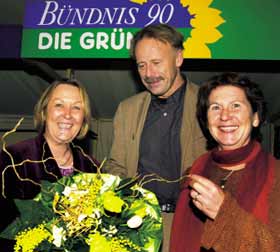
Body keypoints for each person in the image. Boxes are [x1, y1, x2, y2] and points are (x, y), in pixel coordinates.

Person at [104, 23, 207, 251]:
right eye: (141, 65)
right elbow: (116, 165)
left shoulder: (209, 104)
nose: (149, 74)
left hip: (191, 225)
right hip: (137, 226)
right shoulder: (127, 109)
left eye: (156, 63)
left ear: (178, 58)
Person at [170, 72, 280, 251]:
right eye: (215, 107)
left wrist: (224, 212)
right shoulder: (194, 172)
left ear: (255, 118)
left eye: (236, 106)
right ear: (206, 121)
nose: (225, 116)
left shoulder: (276, 175)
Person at [0, 79, 99, 250]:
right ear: (44, 111)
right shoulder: (12, 159)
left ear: (84, 118)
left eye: (76, 107)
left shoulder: (92, 168)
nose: (67, 114)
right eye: (59, 105)